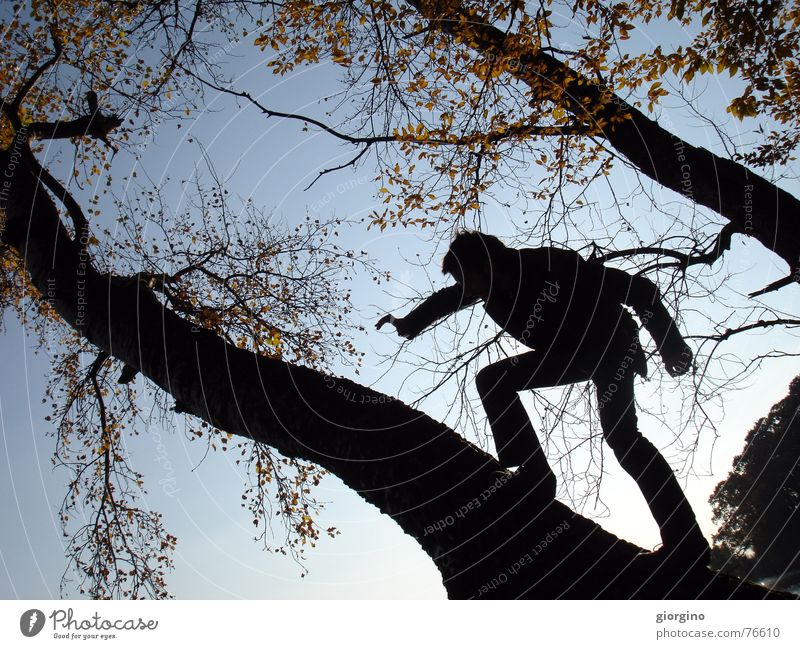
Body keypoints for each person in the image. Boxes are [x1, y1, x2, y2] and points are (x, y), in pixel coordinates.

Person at [377, 231, 709, 566]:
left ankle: (687, 542)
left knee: (624, 439)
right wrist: (408, 324)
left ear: (488, 265)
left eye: (471, 281)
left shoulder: (551, 265)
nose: (470, 292)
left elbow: (639, 290)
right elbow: (447, 299)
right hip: (566, 355)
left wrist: (671, 346)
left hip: (611, 346)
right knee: (493, 380)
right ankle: (536, 473)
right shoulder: (485, 288)